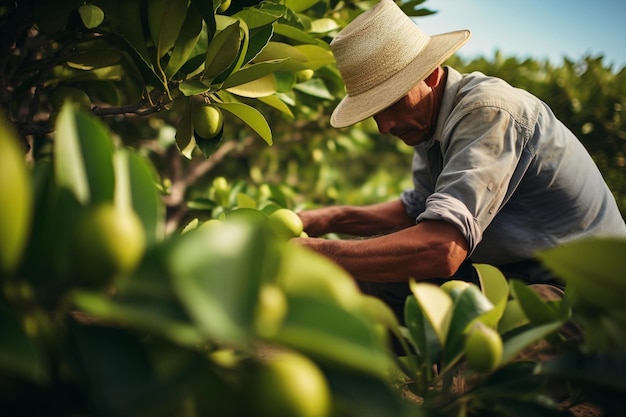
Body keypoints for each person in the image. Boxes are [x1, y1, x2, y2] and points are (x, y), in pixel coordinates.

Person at [292, 0, 626, 322]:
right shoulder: (428, 122)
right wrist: (329, 218)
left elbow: (441, 249)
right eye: (375, 112)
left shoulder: (488, 112)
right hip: (511, 273)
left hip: (585, 292)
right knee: (354, 291)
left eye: (392, 103)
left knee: (478, 349)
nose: (385, 126)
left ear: (431, 75)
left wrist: (324, 253)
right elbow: (416, 210)